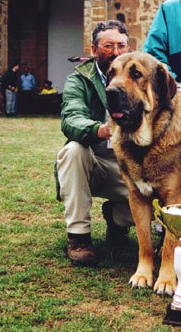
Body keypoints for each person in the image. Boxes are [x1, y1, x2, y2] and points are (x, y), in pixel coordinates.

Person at [55, 20, 134, 267]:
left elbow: (171, 88)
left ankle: (117, 217)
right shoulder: (79, 79)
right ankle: (78, 236)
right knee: (72, 150)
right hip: (98, 160)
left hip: (134, 164)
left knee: (162, 207)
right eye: (108, 45)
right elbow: (71, 118)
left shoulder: (141, 73)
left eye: (121, 45)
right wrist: (99, 130)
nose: (116, 52)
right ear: (94, 49)